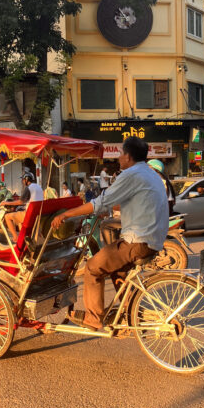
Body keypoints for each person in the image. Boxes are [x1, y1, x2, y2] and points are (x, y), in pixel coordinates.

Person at [51, 136, 168, 332]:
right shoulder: (150, 174)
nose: (119, 157)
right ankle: (132, 314)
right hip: (153, 239)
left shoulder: (131, 174)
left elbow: (99, 202)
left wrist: (66, 214)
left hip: (138, 241)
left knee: (93, 267)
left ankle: (94, 318)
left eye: (122, 153)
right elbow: (131, 201)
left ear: (128, 156)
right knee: (117, 268)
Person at [3, 172, 44, 241]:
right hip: (38, 213)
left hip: (30, 214)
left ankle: (15, 237)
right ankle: (23, 237)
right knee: (19, 218)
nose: (22, 181)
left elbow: (20, 201)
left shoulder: (28, 188)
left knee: (7, 216)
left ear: (27, 179)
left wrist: (6, 203)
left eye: (23, 180)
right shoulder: (38, 187)